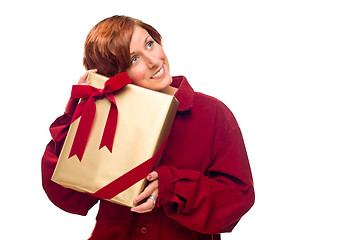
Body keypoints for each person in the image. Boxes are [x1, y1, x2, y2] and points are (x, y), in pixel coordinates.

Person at [42, 15, 255, 240]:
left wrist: (173, 188)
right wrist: (77, 117)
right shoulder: (104, 115)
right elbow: (69, 196)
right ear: (113, 74)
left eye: (150, 44)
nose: (153, 61)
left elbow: (237, 199)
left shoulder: (213, 114)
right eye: (134, 59)